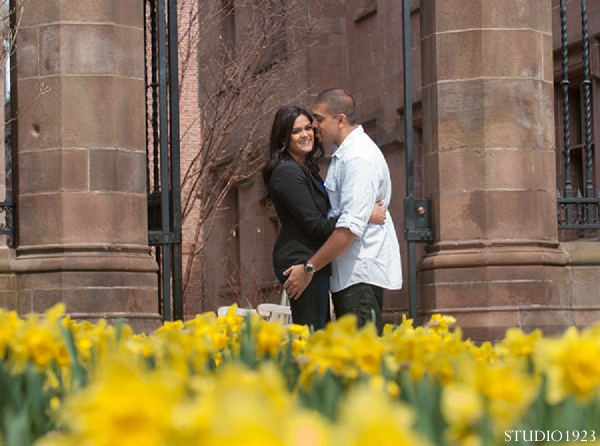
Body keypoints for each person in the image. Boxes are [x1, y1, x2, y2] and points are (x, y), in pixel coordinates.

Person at [282, 89, 402, 334]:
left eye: (319, 119)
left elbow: (349, 229)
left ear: (340, 120)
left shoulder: (358, 159)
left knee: (361, 362)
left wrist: (309, 268)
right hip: (349, 274)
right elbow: (345, 214)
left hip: (358, 275)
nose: (314, 126)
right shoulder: (345, 155)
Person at [261, 105, 385, 330]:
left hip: (312, 261)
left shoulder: (306, 168)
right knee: (313, 335)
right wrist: (363, 215)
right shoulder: (286, 173)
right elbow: (316, 225)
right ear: (282, 138)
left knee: (320, 332)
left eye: (308, 127)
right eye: (296, 131)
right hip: (299, 263)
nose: (306, 134)